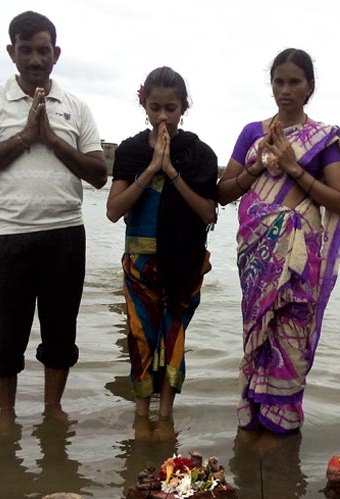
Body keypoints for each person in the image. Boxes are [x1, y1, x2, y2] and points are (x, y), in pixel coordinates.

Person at [0, 11, 107, 423]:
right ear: (12, 52)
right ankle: (5, 416)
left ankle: (53, 409)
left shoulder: (76, 107)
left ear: (56, 53)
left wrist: (51, 139)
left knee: (61, 334)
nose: (35, 59)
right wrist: (25, 137)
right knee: (5, 338)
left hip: (65, 235)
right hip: (9, 235)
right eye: (26, 50)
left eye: (43, 50)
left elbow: (98, 174)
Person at [216, 48, 340, 434]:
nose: (286, 89)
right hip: (256, 253)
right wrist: (258, 166)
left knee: (291, 330)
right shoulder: (252, 133)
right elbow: (224, 192)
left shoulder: (324, 138)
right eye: (279, 81)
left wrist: (293, 167)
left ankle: (283, 423)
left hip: (298, 254)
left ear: (310, 87)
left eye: (295, 82)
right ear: (271, 84)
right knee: (257, 328)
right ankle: (254, 416)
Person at [106, 67, 219, 427]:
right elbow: (113, 210)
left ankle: (166, 418)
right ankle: (141, 418)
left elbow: (207, 212)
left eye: (171, 107)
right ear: (144, 104)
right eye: (155, 107)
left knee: (173, 338)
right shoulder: (130, 151)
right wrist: (150, 168)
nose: (163, 116)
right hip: (140, 262)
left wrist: (171, 171)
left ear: (184, 107)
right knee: (140, 339)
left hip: (185, 263)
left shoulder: (198, 153)